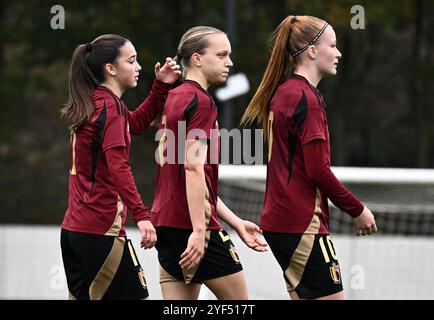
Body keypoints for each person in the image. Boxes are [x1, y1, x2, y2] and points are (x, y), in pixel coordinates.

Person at [241, 16, 378, 300]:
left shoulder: (284, 92)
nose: (339, 53)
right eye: (333, 45)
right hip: (301, 224)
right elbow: (318, 171)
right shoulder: (306, 98)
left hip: (283, 223)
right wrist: (357, 209)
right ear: (312, 51)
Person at [59, 34, 181, 300]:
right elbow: (119, 167)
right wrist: (142, 215)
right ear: (110, 69)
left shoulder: (97, 102)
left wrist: (160, 87)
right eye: (132, 60)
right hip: (101, 232)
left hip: (75, 232)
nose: (139, 67)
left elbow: (135, 124)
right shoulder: (109, 108)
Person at [151, 26, 268, 300]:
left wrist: (236, 222)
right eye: (222, 54)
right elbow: (193, 169)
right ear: (197, 59)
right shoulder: (200, 101)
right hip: (194, 225)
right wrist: (200, 231)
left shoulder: (172, 97)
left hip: (166, 225)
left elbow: (194, 180)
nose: (229, 62)